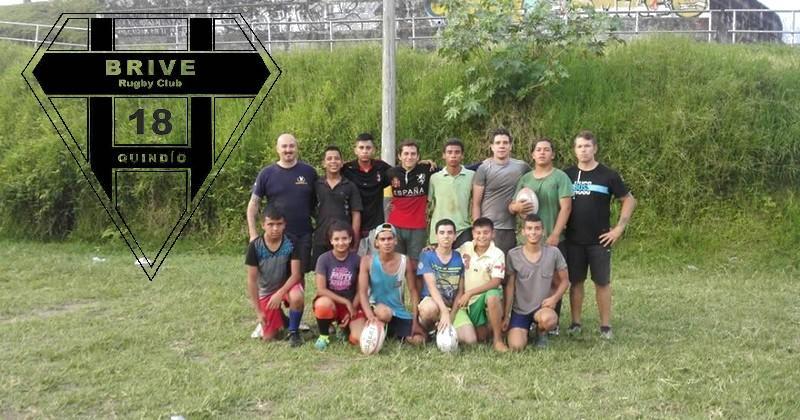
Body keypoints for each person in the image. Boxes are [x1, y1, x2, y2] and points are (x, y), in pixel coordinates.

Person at [564, 130, 637, 340]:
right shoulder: (567, 175)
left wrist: (618, 229)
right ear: (574, 150)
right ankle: (575, 323)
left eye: (587, 146)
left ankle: (605, 326)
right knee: (576, 282)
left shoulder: (608, 175)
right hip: (573, 239)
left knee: (602, 282)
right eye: (579, 146)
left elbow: (629, 200)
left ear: (594, 148)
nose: (583, 150)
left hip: (599, 240)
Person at [509, 137, 572, 333]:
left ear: (552, 154)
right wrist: (516, 206)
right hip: (528, 239)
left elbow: (566, 207)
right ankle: (522, 317)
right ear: (533, 155)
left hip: (553, 238)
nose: (542, 152)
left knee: (553, 280)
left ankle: (552, 322)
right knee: (527, 280)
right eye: (538, 149)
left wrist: (554, 234)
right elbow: (513, 206)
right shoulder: (525, 179)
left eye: (546, 149)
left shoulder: (560, 177)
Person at [247, 133, 317, 274]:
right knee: (276, 274)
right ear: (277, 149)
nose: (288, 150)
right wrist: (253, 234)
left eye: (291, 146)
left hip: (303, 234)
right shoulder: (266, 174)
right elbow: (253, 205)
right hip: (276, 235)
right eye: (284, 146)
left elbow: (318, 204)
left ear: (297, 148)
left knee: (299, 275)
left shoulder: (309, 172)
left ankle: (297, 297)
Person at [503, 214, 569, 350]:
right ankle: (525, 329)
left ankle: (541, 332)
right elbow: (510, 286)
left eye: (537, 228)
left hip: (542, 308)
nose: (533, 232)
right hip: (520, 310)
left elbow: (565, 281)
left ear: (543, 231)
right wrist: (506, 314)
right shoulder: (513, 255)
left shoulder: (553, 253)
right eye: (529, 228)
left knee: (548, 320)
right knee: (516, 346)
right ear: (523, 231)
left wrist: (554, 299)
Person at [354, 223, 426, 345]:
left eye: (390, 238)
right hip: (376, 309)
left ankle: (389, 333)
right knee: (385, 313)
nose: (386, 242)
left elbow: (413, 291)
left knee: (419, 341)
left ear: (395, 241)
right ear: (376, 243)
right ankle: (380, 328)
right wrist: (370, 316)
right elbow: (362, 293)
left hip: (398, 311)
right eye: (382, 239)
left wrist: (415, 320)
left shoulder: (404, 260)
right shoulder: (367, 261)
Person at [245, 206, 305, 347]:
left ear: (284, 225)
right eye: (270, 224)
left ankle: (294, 332)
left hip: (286, 286)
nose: (275, 228)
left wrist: (280, 293)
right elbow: (252, 281)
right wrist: (259, 312)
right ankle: (283, 320)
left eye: (279, 224)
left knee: (297, 297)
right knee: (269, 338)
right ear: (263, 225)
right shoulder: (255, 246)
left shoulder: (291, 242)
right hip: (267, 292)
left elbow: (296, 275)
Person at [453, 217, 508, 352]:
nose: (482, 236)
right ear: (473, 233)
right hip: (468, 303)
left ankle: (498, 339)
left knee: (493, 295)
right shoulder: (466, 247)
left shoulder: (497, 254)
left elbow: (496, 282)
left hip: (484, 298)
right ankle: (486, 329)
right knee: (480, 338)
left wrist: (470, 293)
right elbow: (448, 253)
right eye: (478, 233)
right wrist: (433, 248)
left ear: (493, 233)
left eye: (486, 232)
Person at [472, 128, 531, 254]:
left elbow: (535, 180)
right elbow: (476, 203)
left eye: (505, 143)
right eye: (498, 143)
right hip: (487, 228)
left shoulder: (522, 167)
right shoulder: (484, 169)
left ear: (510, 146)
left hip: (508, 228)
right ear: (492, 147)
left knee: (505, 269)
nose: (501, 146)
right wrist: (477, 229)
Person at [312, 222, 365, 350]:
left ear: (350, 239)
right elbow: (321, 289)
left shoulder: (357, 260)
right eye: (336, 239)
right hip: (332, 301)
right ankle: (324, 335)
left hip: (352, 303)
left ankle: (345, 329)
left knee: (357, 340)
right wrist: (345, 302)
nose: (341, 242)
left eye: (344, 238)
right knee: (322, 305)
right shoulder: (323, 259)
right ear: (331, 240)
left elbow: (360, 290)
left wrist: (351, 307)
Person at [341, 133, 392, 255]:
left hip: (376, 225)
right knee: (354, 263)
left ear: (373, 150)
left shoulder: (382, 168)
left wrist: (421, 164)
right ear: (355, 150)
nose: (365, 151)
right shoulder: (347, 169)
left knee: (376, 263)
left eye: (368, 148)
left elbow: (401, 173)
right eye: (361, 148)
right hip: (353, 224)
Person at [312, 145, 362, 267]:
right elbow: (309, 209)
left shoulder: (350, 186)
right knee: (321, 274)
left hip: (342, 240)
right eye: (329, 159)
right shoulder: (316, 185)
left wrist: (354, 240)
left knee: (343, 275)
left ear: (342, 162)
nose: (333, 161)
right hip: (321, 238)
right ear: (324, 163)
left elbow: (356, 214)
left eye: (337, 158)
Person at [386, 139, 432, 266]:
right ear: (399, 156)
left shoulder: (427, 170)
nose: (409, 157)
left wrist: (482, 163)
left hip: (418, 227)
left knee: (415, 265)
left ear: (418, 156)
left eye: (413, 154)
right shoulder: (391, 173)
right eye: (406, 154)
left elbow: (451, 168)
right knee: (396, 264)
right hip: (395, 226)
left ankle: (414, 287)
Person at [416, 219, 464, 334]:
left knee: (469, 339)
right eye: (442, 233)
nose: (446, 236)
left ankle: (442, 327)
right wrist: (444, 311)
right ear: (436, 236)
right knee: (429, 310)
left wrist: (451, 315)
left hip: (452, 304)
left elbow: (461, 291)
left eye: (450, 233)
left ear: (455, 236)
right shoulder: (427, 255)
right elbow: (431, 286)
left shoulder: (460, 257)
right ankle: (430, 330)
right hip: (433, 302)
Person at [428, 138, 474, 249]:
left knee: (464, 263)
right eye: (449, 152)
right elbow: (428, 207)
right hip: (440, 231)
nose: (453, 155)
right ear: (443, 155)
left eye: (457, 152)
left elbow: (475, 202)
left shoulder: (472, 176)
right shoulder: (434, 178)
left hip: (463, 229)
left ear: (462, 155)